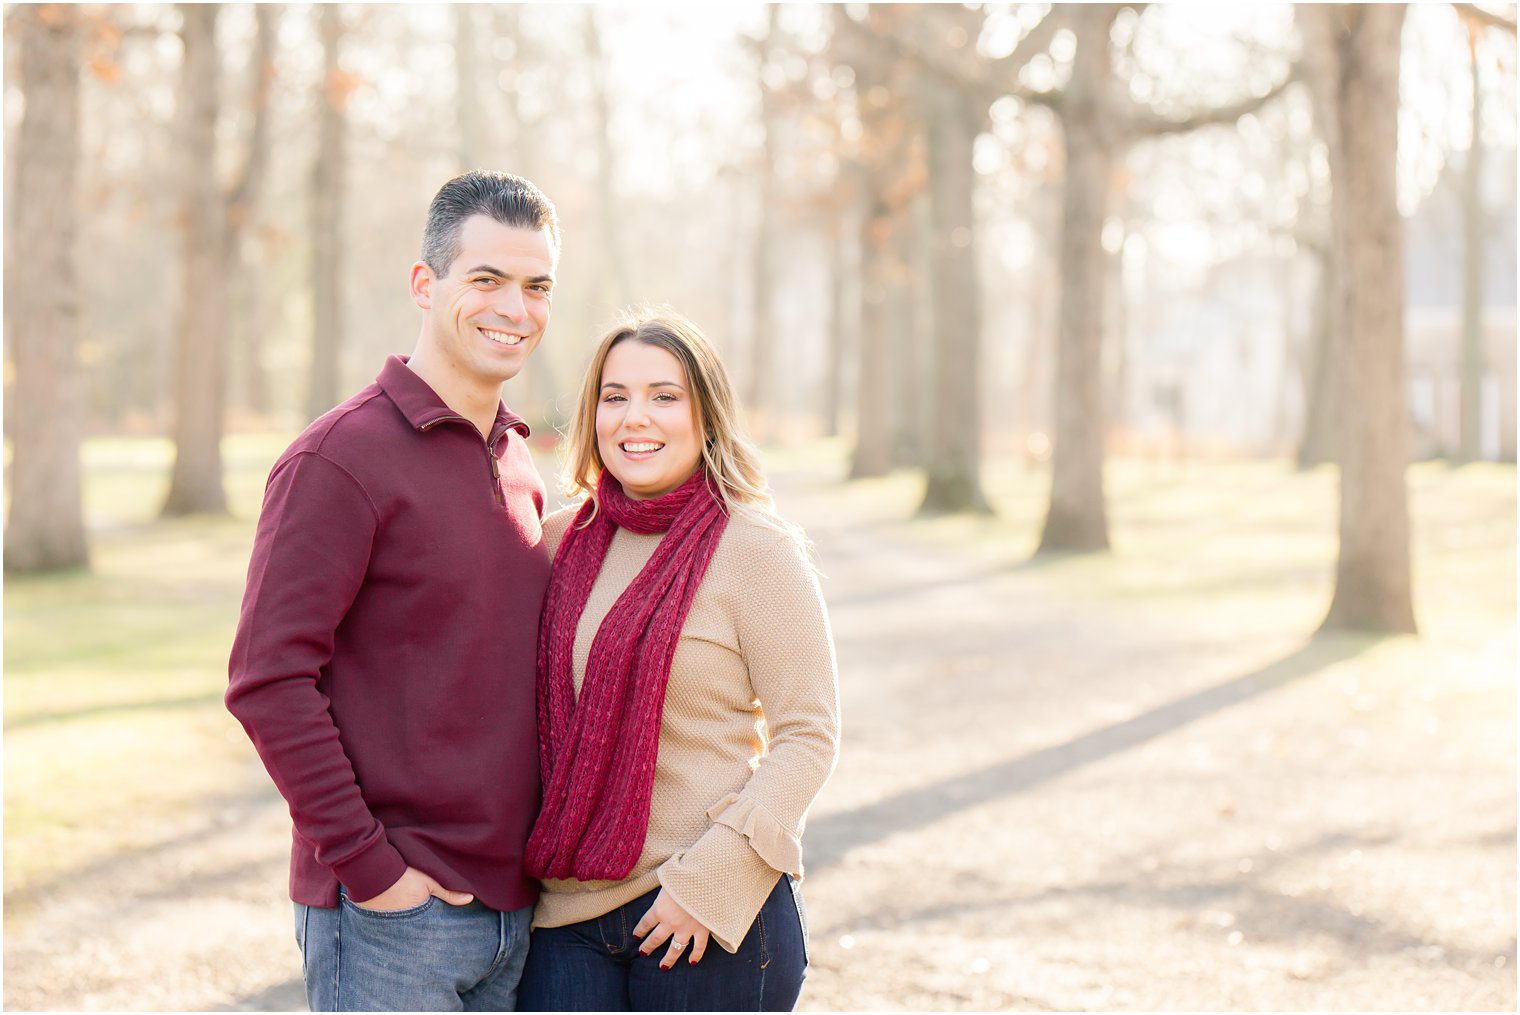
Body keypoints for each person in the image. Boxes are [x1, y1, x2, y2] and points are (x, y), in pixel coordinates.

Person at [226, 170, 560, 1012]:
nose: (513, 308)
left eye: (536, 285)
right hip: (393, 917)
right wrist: (373, 872)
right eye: (486, 279)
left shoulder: (517, 458)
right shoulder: (338, 459)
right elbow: (268, 680)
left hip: (514, 908)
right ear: (424, 284)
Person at [515, 311, 841, 1012]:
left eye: (665, 396)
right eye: (615, 395)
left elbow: (809, 734)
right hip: (565, 915)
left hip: (710, 911)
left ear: (707, 415)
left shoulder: (756, 549)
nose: (637, 417)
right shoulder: (556, 544)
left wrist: (710, 883)